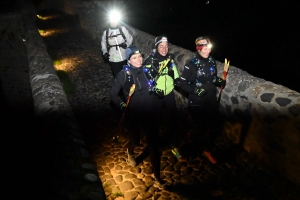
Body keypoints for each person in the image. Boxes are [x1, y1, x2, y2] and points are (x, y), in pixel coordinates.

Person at [109, 45, 167, 188]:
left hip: (149, 113)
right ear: (128, 60)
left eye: (140, 56)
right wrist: (122, 105)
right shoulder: (124, 75)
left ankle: (157, 177)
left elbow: (151, 86)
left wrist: (157, 91)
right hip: (134, 114)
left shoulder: (146, 71)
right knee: (136, 140)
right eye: (134, 58)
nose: (139, 60)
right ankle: (130, 150)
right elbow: (113, 94)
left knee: (153, 145)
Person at [178, 36, 226, 164]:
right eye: (204, 48)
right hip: (197, 102)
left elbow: (212, 78)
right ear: (198, 49)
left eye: (209, 48)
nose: (207, 51)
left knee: (213, 128)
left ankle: (207, 150)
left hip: (211, 100)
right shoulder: (191, 65)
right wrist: (195, 90)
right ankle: (182, 150)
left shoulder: (211, 61)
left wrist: (219, 81)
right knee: (200, 130)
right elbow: (182, 84)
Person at [143, 36, 182, 158]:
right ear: (156, 47)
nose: (164, 49)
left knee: (172, 119)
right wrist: (154, 89)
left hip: (169, 93)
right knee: (155, 121)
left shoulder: (170, 59)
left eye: (166, 46)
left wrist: (178, 80)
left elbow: (175, 72)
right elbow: (144, 78)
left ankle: (174, 145)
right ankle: (155, 145)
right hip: (156, 95)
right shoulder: (150, 60)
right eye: (161, 46)